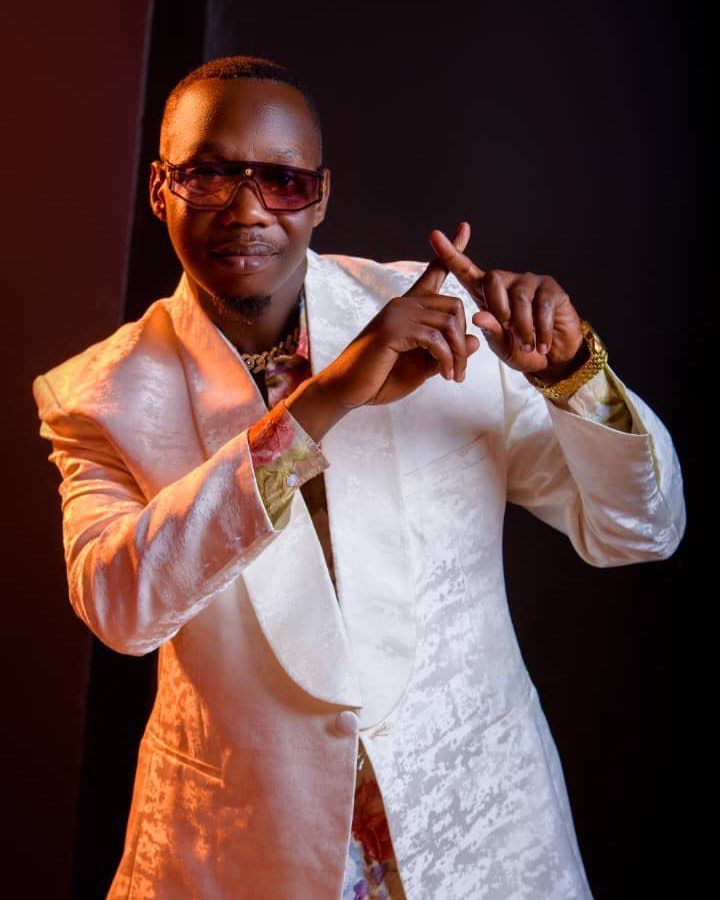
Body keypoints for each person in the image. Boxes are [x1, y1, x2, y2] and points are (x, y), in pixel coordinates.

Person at [31, 55, 686, 900]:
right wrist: (322, 403)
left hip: (480, 834)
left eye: (283, 181)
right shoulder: (95, 395)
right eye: (209, 175)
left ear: (320, 196)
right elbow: (122, 608)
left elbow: (641, 530)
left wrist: (571, 374)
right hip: (240, 854)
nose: (247, 209)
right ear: (161, 188)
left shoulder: (450, 323)